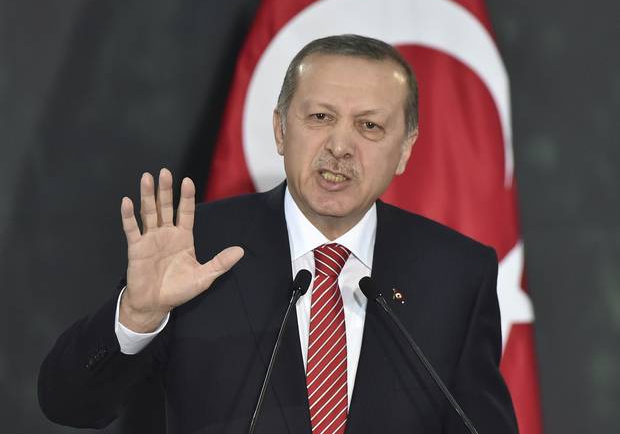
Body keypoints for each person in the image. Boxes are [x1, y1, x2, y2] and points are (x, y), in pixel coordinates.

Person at [39, 34, 519, 434]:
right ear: (280, 130)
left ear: (404, 150)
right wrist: (139, 314)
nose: (339, 146)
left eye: (369, 126)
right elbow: (68, 404)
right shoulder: (197, 247)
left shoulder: (455, 274)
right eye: (320, 117)